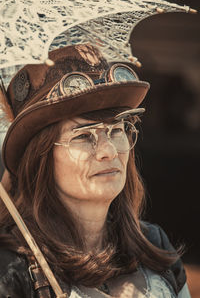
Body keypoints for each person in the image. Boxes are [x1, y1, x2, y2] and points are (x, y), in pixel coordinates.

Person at [0, 43, 191, 298]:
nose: (108, 151)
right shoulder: (10, 270)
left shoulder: (153, 244)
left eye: (116, 129)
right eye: (83, 136)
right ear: (40, 157)